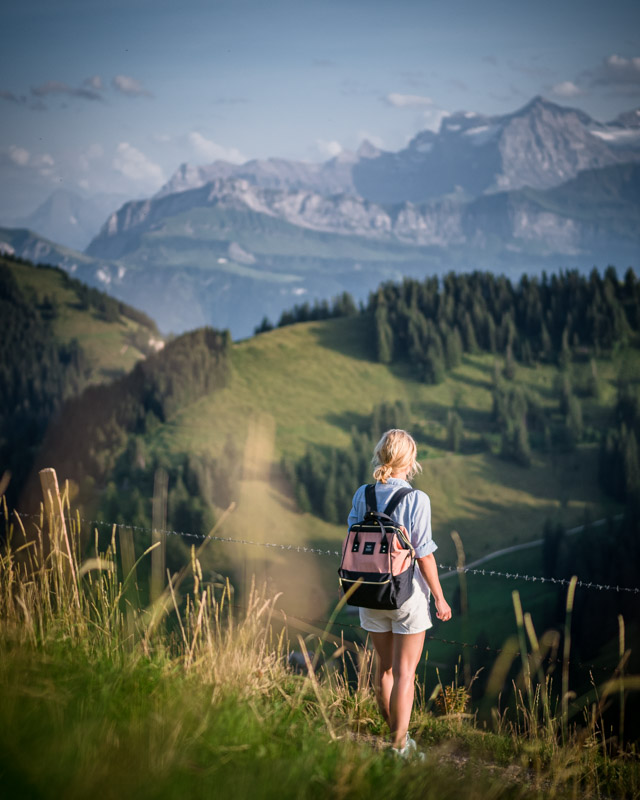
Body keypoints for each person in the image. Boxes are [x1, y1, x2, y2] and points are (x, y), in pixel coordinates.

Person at [347, 428, 452, 757]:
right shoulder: (417, 500)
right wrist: (439, 596)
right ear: (411, 461)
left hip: (368, 592)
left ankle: (398, 740)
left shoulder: (362, 495)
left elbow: (353, 539)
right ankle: (399, 748)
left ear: (380, 456)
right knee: (406, 673)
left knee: (385, 671)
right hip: (407, 596)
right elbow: (424, 554)